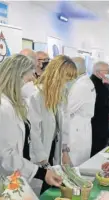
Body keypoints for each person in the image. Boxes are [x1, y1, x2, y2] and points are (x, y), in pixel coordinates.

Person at [0, 54, 62, 195]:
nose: (33, 82)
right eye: (29, 79)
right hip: (5, 180)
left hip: (17, 175)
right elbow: (5, 156)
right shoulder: (3, 109)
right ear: (16, 78)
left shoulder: (16, 105)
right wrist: (39, 172)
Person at [28, 55, 76, 193]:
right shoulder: (37, 95)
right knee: (39, 192)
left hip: (53, 148)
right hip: (40, 153)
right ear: (57, 74)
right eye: (68, 78)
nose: (69, 82)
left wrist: (65, 151)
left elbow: (64, 126)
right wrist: (42, 160)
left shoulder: (61, 95)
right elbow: (34, 132)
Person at [67, 57, 96, 166]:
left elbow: (67, 109)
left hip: (77, 130)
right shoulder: (85, 82)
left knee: (74, 163)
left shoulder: (81, 86)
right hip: (81, 128)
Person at [90, 61, 109, 156]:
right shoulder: (94, 83)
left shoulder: (102, 82)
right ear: (98, 72)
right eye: (107, 71)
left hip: (102, 123)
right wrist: (107, 86)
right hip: (96, 124)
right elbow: (103, 101)